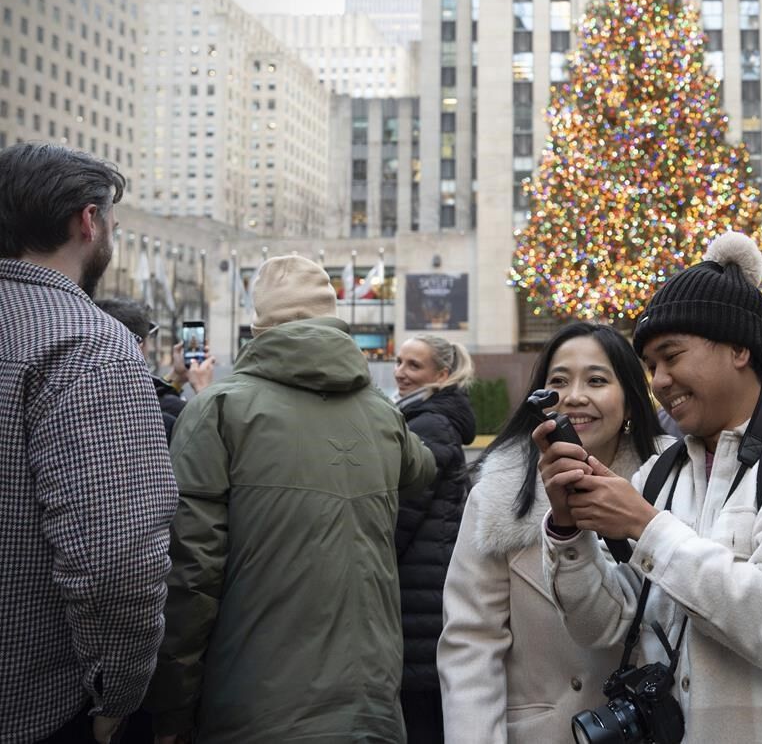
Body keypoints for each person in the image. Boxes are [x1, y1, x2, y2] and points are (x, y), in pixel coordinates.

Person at [538, 232, 762, 742]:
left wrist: (646, 526)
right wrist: (569, 533)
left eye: (671, 356)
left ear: (740, 349)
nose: (658, 380)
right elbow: (604, 628)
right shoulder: (661, 473)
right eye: (651, 366)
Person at [145, 255, 436, 743]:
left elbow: (190, 575)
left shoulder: (217, 410)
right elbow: (421, 468)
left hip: (253, 709)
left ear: (259, 324)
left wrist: (172, 711)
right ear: (331, 316)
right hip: (373, 706)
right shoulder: (381, 415)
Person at [0, 143, 178, 743]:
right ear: (88, 221)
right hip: (34, 708)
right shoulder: (89, 345)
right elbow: (117, 558)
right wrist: (116, 699)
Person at [438, 322, 667, 742]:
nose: (575, 396)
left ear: (631, 401)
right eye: (559, 381)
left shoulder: (671, 487)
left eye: (597, 380)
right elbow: (472, 641)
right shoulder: (499, 495)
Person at [393, 334, 477, 744]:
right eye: (399, 361)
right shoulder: (420, 417)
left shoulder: (429, 423)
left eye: (414, 365)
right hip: (423, 583)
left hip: (418, 589)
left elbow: (402, 517)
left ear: (441, 374)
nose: (401, 372)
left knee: (421, 713)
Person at [95, 297, 217, 441]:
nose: (152, 348)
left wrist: (177, 377)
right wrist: (203, 390)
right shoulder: (163, 422)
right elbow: (210, 446)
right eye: (150, 340)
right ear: (137, 348)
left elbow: (155, 395)